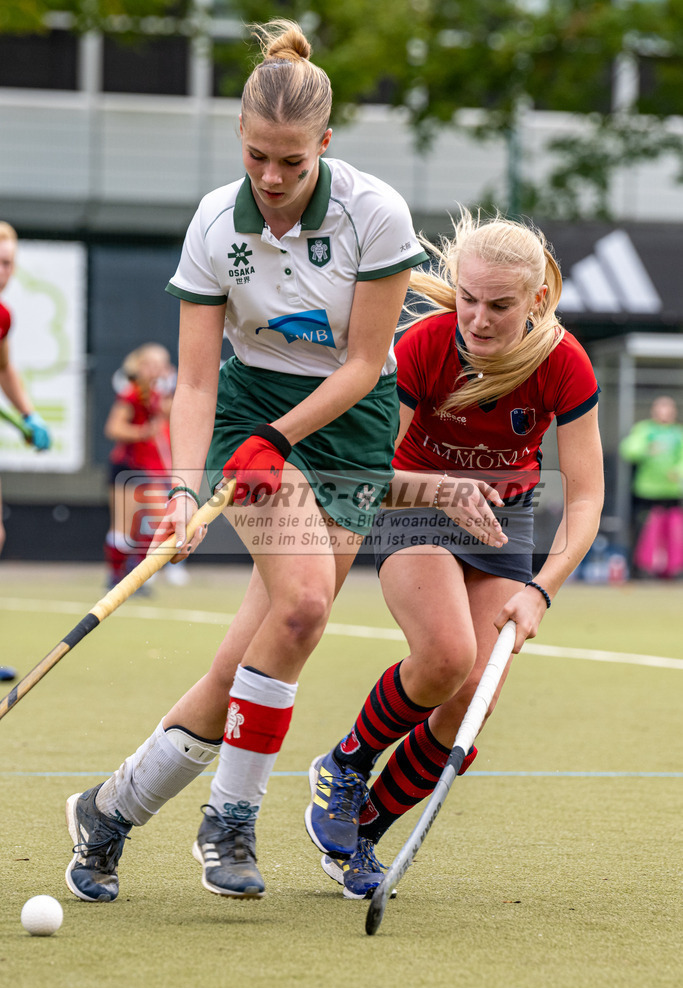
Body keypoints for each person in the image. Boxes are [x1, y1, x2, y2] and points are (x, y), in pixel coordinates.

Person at [63, 19, 431, 904]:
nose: (271, 179)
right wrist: (187, 492)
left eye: (292, 162)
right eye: (259, 157)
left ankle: (108, 811)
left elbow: (357, 366)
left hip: (348, 420)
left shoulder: (374, 214)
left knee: (258, 652)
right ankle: (231, 819)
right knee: (304, 602)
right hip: (246, 410)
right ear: (240, 136)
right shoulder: (211, 224)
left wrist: (284, 438)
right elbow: (193, 382)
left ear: (325, 146)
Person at [304, 209, 604, 899]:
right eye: (467, 298)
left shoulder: (563, 362)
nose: (477, 318)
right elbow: (366, 477)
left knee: (472, 699)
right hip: (416, 506)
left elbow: (584, 499)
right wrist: (439, 489)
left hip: (504, 526)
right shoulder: (423, 346)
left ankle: (365, 835)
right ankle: (347, 764)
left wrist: (541, 589)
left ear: (536, 299)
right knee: (445, 655)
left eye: (499, 305)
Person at [0, 221, 51, 682]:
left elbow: (4, 367)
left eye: (9, 262)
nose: (4, 270)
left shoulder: (2, 315)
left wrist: (28, 414)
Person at [103, 343, 175, 587]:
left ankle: (138, 574)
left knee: (159, 519)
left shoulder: (159, 397)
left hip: (151, 469)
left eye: (161, 366)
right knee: (122, 526)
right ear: (140, 366)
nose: (156, 371)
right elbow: (114, 428)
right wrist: (144, 431)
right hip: (127, 466)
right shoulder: (131, 394)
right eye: (151, 365)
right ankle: (115, 575)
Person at [619, 395, 683, 579]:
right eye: (661, 408)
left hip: (671, 492)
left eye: (668, 408)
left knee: (674, 531)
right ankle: (641, 569)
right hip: (646, 491)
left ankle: (673, 570)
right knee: (644, 531)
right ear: (654, 411)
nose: (664, 412)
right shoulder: (644, 430)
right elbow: (630, 450)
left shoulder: (678, 433)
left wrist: (677, 472)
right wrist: (647, 449)